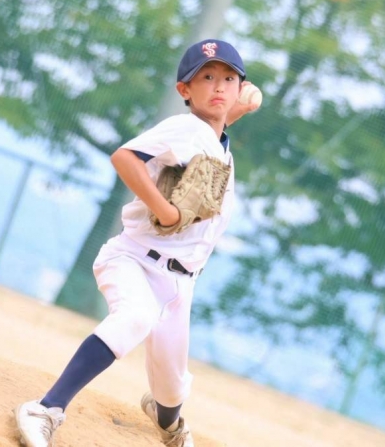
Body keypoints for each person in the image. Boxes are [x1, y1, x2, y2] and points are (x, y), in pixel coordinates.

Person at [13, 38, 259, 447]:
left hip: (180, 285)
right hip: (136, 260)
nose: (218, 85)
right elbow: (124, 157)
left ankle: (168, 422)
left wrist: (237, 109)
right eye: (206, 77)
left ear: (240, 87)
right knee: (134, 316)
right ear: (184, 90)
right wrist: (166, 210)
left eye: (228, 79)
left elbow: (214, 128)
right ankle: (45, 408)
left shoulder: (217, 142)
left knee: (172, 389)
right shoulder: (185, 128)